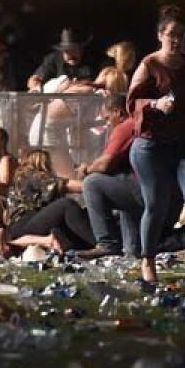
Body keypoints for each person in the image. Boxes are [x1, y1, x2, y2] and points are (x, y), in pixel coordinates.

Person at [126, 6, 185, 283]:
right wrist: (156, 104)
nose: (177, 41)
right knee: (156, 205)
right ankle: (148, 261)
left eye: (181, 35)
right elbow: (131, 104)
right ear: (160, 36)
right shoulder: (149, 65)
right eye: (171, 35)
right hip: (152, 146)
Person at [78, 94, 145, 258]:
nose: (107, 123)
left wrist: (87, 170)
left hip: (142, 188)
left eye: (108, 118)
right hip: (150, 187)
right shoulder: (138, 123)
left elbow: (105, 163)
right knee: (132, 253)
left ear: (118, 112)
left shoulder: (125, 127)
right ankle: (133, 250)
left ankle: (107, 243)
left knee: (92, 183)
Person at [27, 28, 95, 91]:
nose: (71, 55)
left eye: (74, 50)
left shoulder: (93, 59)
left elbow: (104, 74)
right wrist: (36, 89)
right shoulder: (53, 59)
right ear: (61, 51)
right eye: (67, 51)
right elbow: (35, 78)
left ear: (81, 49)